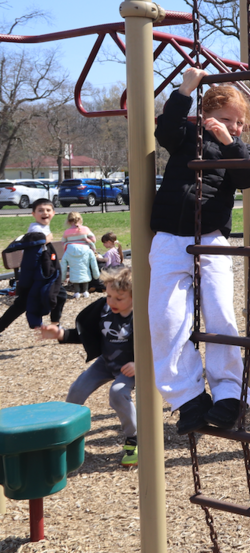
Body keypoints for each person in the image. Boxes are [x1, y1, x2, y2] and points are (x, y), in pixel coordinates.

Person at [149, 66, 250, 434]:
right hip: (168, 238)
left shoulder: (235, 149)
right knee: (166, 320)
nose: (235, 126)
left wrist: (230, 142)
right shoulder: (187, 136)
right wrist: (185, 90)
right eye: (227, 119)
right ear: (206, 115)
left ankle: (230, 394)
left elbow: (246, 178)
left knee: (220, 314)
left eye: (241, 123)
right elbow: (163, 131)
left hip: (210, 237)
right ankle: (188, 398)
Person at [37, 267, 139, 467]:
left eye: (119, 298)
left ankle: (133, 439)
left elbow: (158, 343)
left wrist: (141, 363)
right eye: (109, 296)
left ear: (136, 297)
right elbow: (86, 334)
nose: (112, 302)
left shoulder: (142, 316)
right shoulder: (103, 310)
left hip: (131, 367)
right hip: (105, 362)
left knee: (117, 393)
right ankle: (69, 438)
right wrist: (61, 334)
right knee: (76, 390)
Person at [0, 199, 65, 336]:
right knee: (22, 304)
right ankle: (54, 325)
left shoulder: (41, 228)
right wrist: (45, 240)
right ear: (33, 214)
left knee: (59, 294)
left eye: (48, 210)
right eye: (40, 210)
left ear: (53, 213)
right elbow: (35, 244)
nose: (44, 213)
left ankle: (55, 325)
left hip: (41, 274)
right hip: (36, 275)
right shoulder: (36, 229)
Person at [61, 228, 100, 298]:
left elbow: (63, 265)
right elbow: (94, 264)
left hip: (73, 273)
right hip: (85, 272)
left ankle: (77, 292)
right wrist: (96, 275)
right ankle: (85, 291)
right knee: (85, 278)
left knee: (76, 280)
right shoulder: (88, 250)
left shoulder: (68, 251)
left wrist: (62, 278)